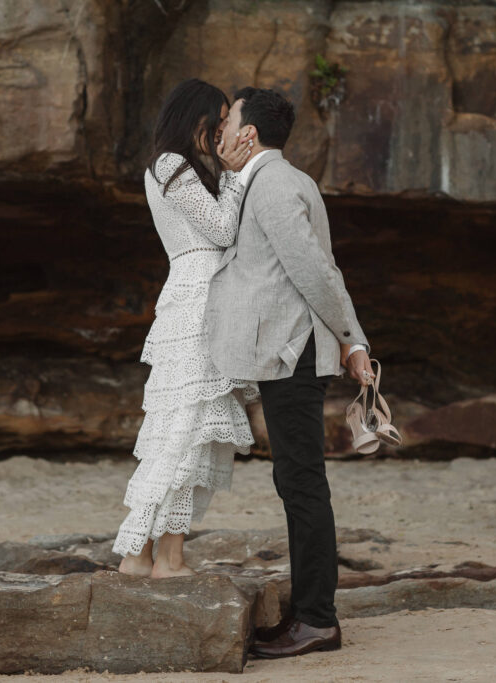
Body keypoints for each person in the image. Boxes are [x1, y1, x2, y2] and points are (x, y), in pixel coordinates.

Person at [205, 87, 374, 658]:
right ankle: (308, 613)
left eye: (228, 120)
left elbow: (317, 275)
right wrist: (353, 343)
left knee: (302, 483)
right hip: (290, 351)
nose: (221, 129)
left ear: (249, 133)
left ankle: (318, 621)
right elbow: (322, 268)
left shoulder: (274, 185)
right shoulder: (272, 181)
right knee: (295, 481)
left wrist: (352, 341)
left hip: (292, 353)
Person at [112, 79, 256, 578]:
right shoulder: (171, 165)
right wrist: (236, 174)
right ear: (191, 118)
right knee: (184, 428)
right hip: (196, 297)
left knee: (186, 427)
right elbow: (220, 230)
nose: (220, 134)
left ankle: (150, 555)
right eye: (215, 123)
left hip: (198, 294)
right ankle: (159, 556)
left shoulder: (176, 167)